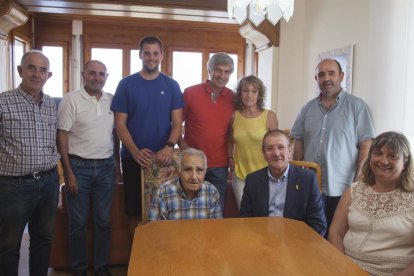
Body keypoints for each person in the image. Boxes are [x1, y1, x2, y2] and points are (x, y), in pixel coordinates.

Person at [111, 36, 183, 236]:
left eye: (156, 53)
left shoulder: (172, 85)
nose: (152, 57)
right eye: (147, 53)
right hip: (134, 159)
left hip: (164, 161)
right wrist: (134, 152)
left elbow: (177, 123)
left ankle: (161, 261)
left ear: (162, 55)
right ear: (140, 55)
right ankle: (136, 259)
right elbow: (120, 123)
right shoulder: (126, 84)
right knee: (134, 212)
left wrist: (169, 147)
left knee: (166, 210)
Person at [291, 58, 375, 229]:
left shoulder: (357, 106)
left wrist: (358, 180)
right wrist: (298, 172)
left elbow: (367, 144)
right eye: (321, 75)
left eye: (331, 73)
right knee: (310, 231)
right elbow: (298, 140)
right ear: (316, 79)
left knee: (336, 232)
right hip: (311, 184)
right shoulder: (307, 109)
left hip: (342, 185)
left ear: (341, 76)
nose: (326, 78)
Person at [57, 60, 120, 276]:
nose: (97, 78)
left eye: (102, 74)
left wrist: (117, 165)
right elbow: (62, 135)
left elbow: (116, 134)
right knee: (78, 224)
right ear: (84, 75)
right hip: (79, 168)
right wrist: (68, 173)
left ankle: (101, 267)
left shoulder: (112, 100)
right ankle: (79, 269)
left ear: (106, 77)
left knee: (103, 221)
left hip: (106, 169)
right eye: (92, 73)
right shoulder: (70, 99)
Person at [0, 50, 60, 276]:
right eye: (31, 68)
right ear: (20, 71)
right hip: (13, 186)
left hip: (48, 182)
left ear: (49, 75)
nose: (37, 74)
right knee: (8, 244)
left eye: (42, 70)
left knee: (43, 239)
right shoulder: (3, 102)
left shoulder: (52, 105)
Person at [328, 131, 414, 275]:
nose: (383, 160)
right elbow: (335, 233)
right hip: (345, 268)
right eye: (378, 153)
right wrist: (341, 267)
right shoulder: (353, 190)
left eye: (392, 156)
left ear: (405, 161)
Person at [240, 130, 326, 236]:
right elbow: (245, 221)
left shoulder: (308, 180)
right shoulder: (252, 181)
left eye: (281, 147)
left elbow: (318, 225)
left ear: (289, 151)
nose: (276, 153)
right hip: (262, 241)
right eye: (269, 148)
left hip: (296, 242)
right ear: (264, 154)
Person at [179, 52, 235, 212]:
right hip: (192, 163)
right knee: (188, 209)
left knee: (215, 211)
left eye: (227, 72)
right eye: (218, 70)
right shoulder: (190, 93)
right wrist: (182, 145)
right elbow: (176, 123)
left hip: (219, 165)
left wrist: (231, 157)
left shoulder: (233, 98)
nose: (222, 75)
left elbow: (234, 131)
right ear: (209, 71)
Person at [228, 75, 278, 209]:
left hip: (264, 174)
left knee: (263, 213)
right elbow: (230, 140)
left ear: (259, 95)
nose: (249, 95)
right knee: (244, 214)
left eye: (254, 91)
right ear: (240, 94)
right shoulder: (235, 116)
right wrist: (230, 158)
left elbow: (275, 146)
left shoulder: (269, 116)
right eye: (245, 90)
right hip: (240, 174)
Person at [148, 148, 222, 221]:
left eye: (199, 170)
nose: (194, 177)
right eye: (188, 170)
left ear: (205, 173)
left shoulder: (212, 192)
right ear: (179, 172)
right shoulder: (163, 193)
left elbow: (216, 228)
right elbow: (154, 229)